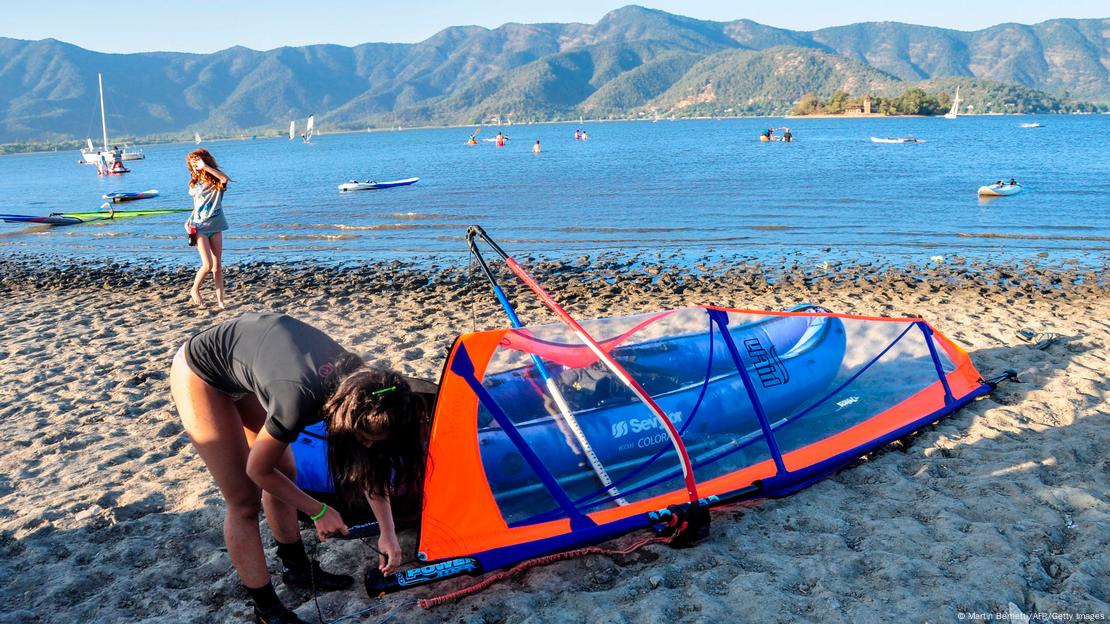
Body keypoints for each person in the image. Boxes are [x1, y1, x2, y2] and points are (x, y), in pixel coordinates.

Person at [170, 312, 425, 624]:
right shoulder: (298, 400)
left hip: (251, 365)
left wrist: (388, 532)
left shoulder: (366, 389)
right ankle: (267, 611)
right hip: (203, 372)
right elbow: (258, 471)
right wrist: (318, 510)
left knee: (286, 471)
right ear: (346, 419)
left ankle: (296, 568)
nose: (369, 447)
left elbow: (370, 466)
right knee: (244, 499)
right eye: (363, 439)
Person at [185, 148, 231, 308]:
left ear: (204, 161)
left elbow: (225, 179)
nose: (194, 166)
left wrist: (205, 167)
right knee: (208, 265)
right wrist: (188, 221)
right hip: (199, 227)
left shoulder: (217, 181)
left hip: (216, 225)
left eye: (196, 162)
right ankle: (194, 290)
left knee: (217, 267)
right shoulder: (194, 182)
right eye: (192, 163)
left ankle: (220, 301)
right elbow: (196, 206)